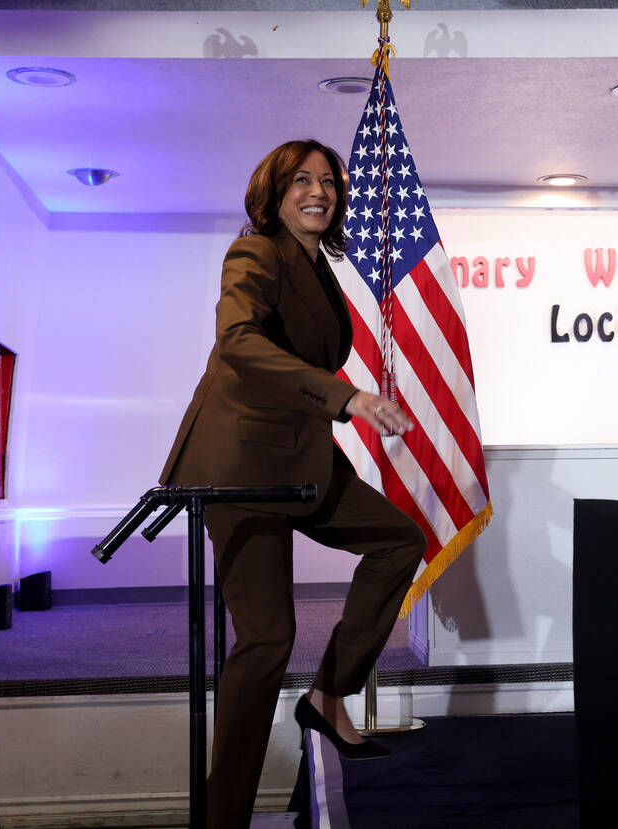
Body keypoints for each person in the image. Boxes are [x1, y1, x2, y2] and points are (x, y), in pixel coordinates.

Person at [158, 139, 427, 828]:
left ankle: (329, 694)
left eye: (329, 182)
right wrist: (347, 399)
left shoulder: (321, 265)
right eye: (302, 180)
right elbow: (240, 341)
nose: (320, 191)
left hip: (301, 460)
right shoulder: (254, 253)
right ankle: (225, 816)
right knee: (267, 638)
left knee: (399, 539)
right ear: (274, 194)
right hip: (240, 467)